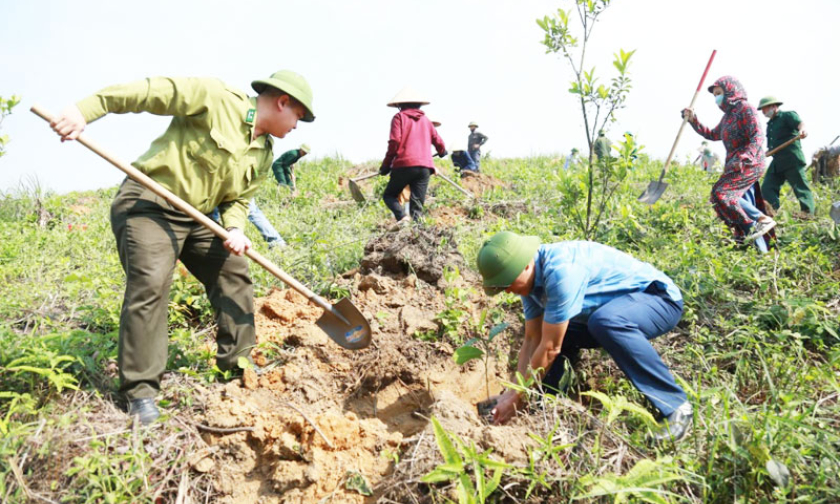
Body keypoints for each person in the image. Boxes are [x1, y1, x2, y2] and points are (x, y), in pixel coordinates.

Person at [49, 70, 315, 425]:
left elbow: (238, 198)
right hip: (149, 205)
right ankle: (140, 393)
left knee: (233, 273)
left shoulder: (264, 152)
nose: (297, 125)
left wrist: (234, 227)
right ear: (282, 102)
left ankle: (236, 365)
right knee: (152, 284)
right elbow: (147, 92)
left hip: (200, 218)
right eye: (298, 115)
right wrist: (86, 110)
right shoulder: (215, 98)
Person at [477, 232, 692, 443]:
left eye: (508, 283)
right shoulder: (529, 284)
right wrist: (513, 391)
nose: (507, 291)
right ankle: (545, 403)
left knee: (604, 322)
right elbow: (533, 340)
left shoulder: (560, 271)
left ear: (524, 265)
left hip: (658, 300)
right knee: (554, 329)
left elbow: (551, 348)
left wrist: (517, 398)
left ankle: (675, 406)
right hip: (610, 312)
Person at [683, 76, 776, 243]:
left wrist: (748, 155)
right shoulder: (727, 117)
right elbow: (711, 134)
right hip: (734, 165)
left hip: (750, 162)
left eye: (719, 93)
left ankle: (760, 221)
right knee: (719, 197)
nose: (717, 98)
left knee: (722, 193)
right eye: (715, 95)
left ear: (731, 90)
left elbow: (757, 135)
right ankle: (741, 233)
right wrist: (693, 120)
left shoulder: (746, 109)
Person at [380, 87, 446, 228]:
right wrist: (442, 151)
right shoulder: (426, 121)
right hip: (424, 168)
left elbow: (395, 142)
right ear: (419, 105)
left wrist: (386, 165)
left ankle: (403, 217)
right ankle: (419, 233)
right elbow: (437, 140)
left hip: (404, 165)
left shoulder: (399, 118)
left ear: (399, 105)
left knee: (389, 196)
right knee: (417, 205)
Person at [757, 96, 815, 216]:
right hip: (777, 162)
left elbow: (800, 124)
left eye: (764, 109)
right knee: (767, 187)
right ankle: (772, 212)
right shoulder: (771, 125)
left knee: (800, 187)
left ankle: (807, 213)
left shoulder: (787, 115)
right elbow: (773, 145)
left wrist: (802, 130)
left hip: (791, 158)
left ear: (773, 106)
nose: (763, 112)